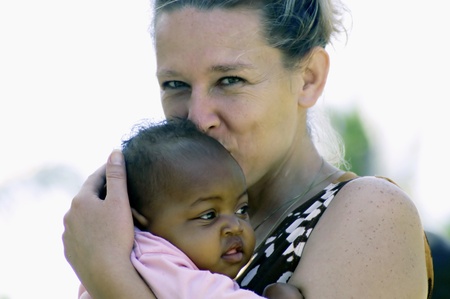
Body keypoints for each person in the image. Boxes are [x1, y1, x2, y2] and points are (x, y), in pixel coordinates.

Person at [63, 0, 434, 298]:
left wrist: (108, 273)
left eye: (229, 80)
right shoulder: (166, 231)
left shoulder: (371, 213)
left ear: (308, 78)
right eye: (175, 84)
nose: (197, 117)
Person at [77, 118, 303, 299]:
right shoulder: (154, 260)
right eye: (209, 215)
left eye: (241, 209)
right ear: (142, 222)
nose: (235, 226)